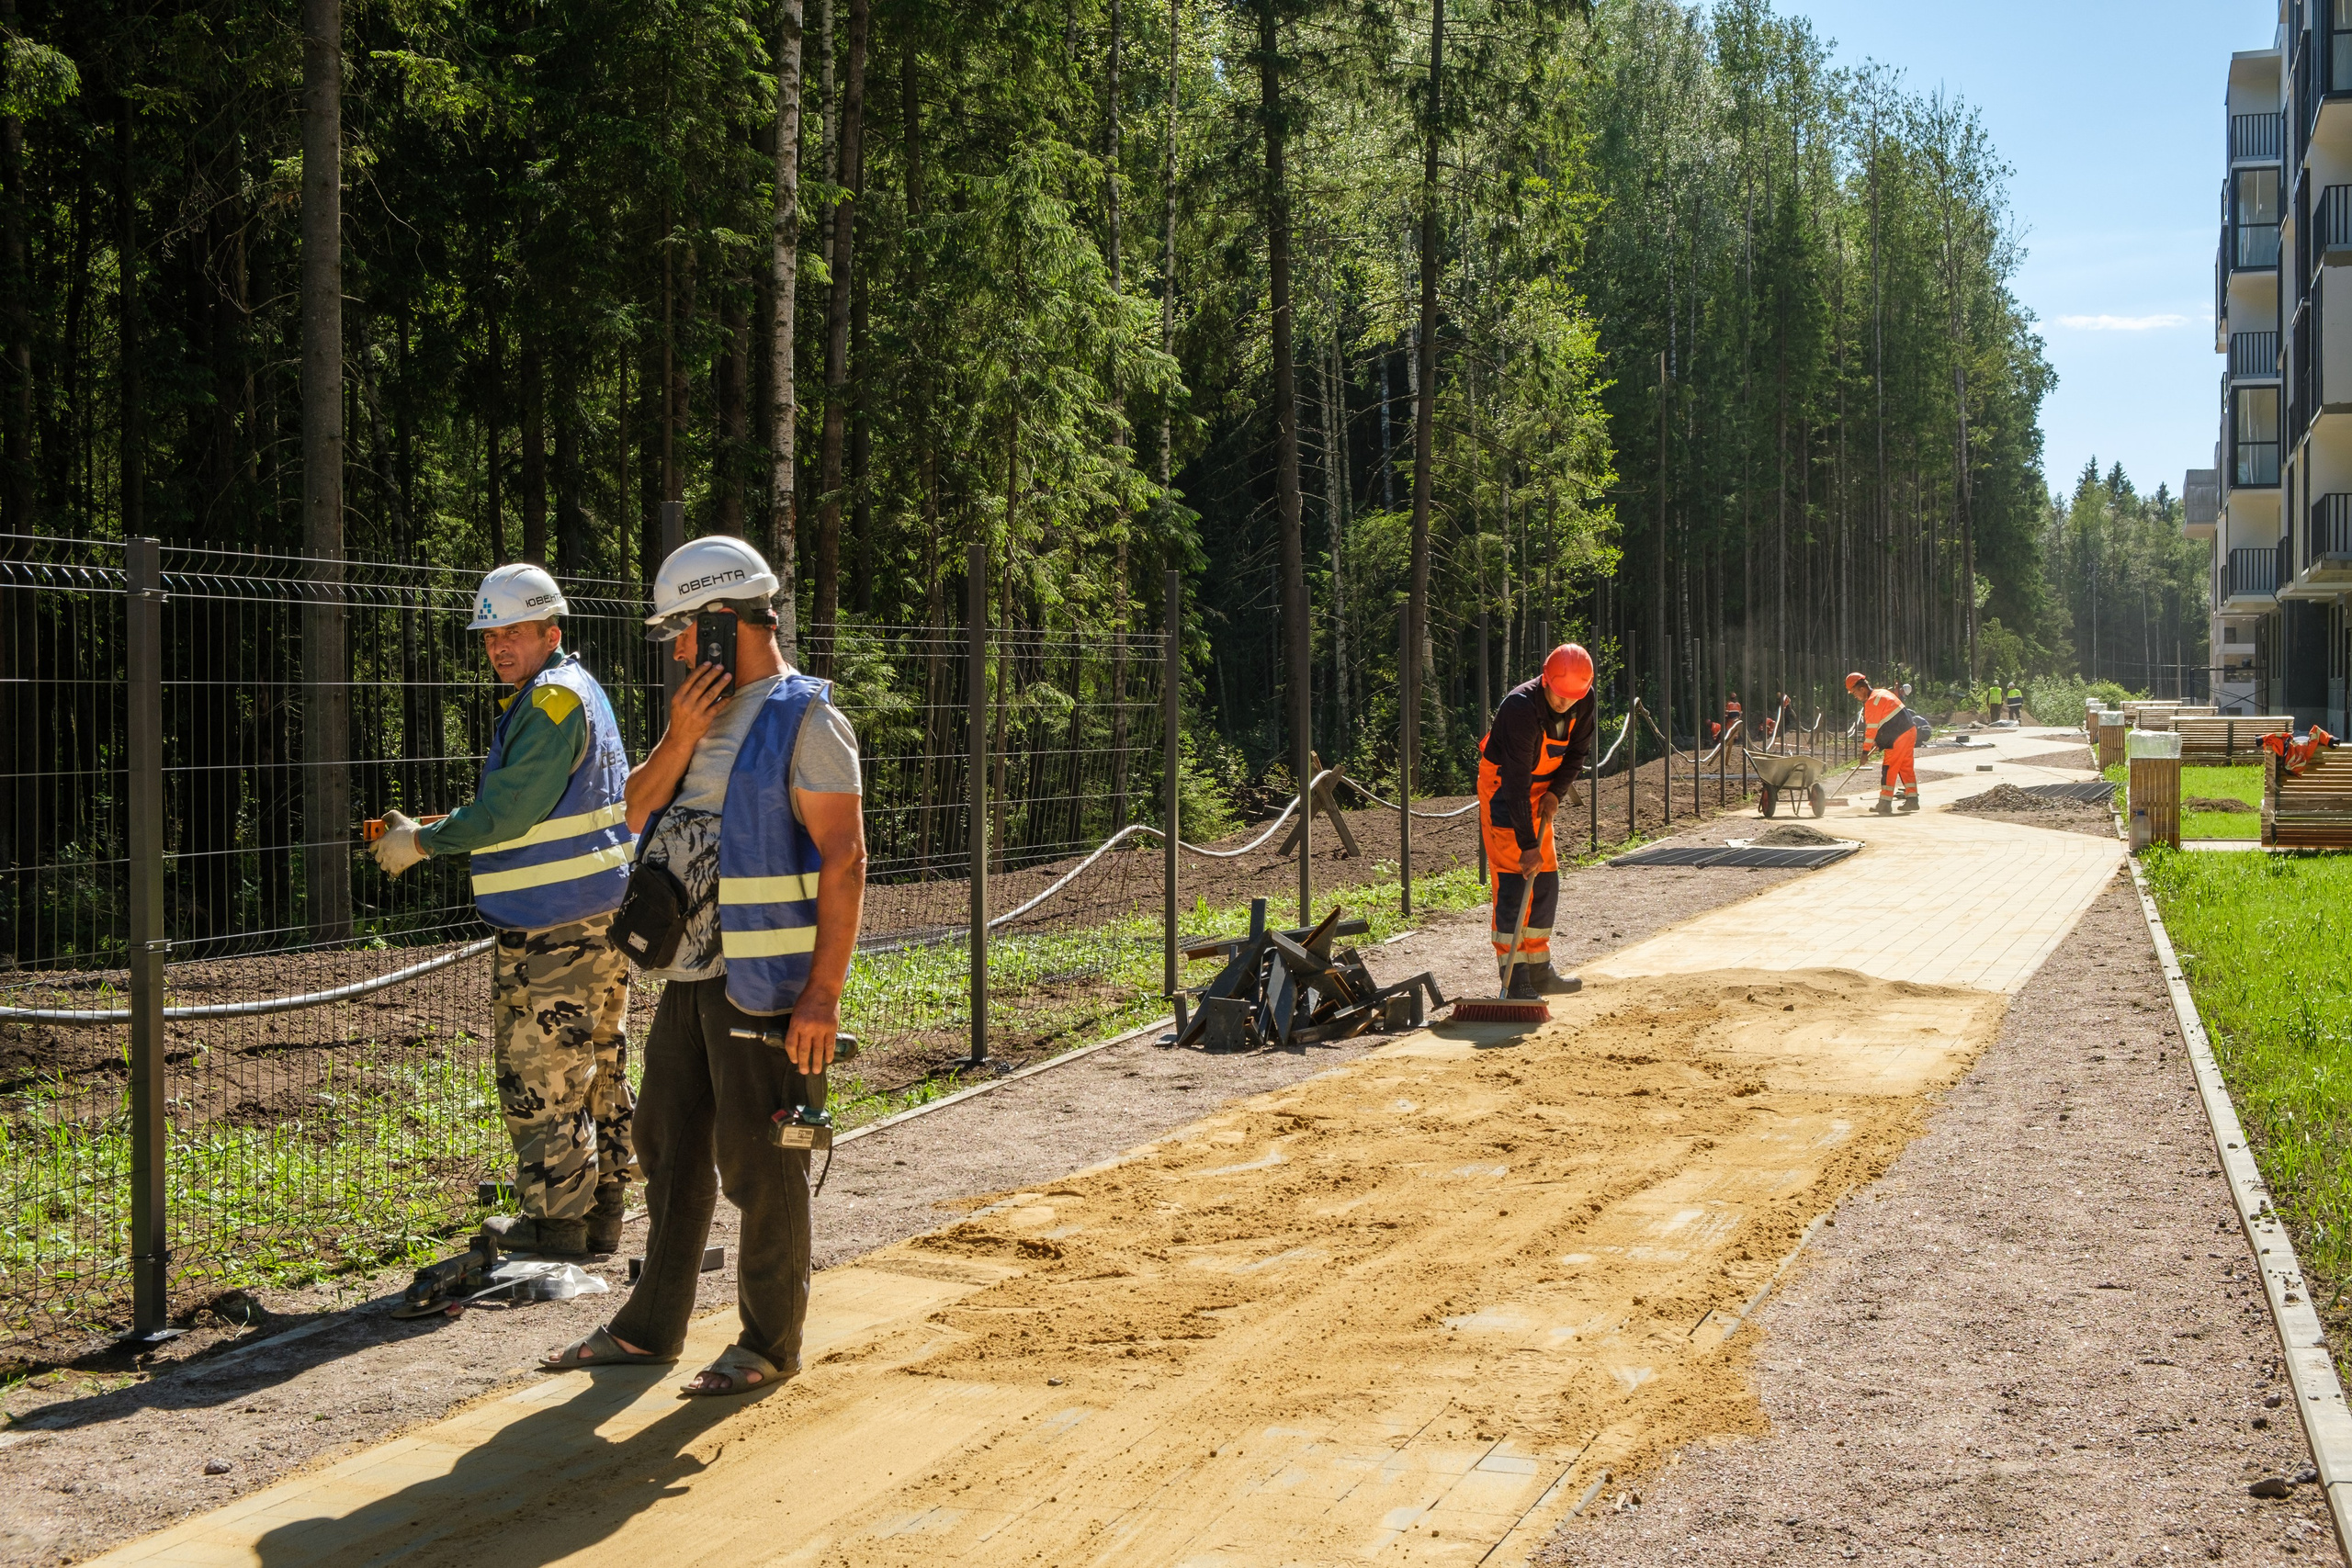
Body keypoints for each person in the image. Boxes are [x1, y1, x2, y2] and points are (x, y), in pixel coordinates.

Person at [541, 536, 867, 1398]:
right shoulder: (703, 714)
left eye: (686, 630)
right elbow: (637, 806)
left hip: (764, 981)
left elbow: (846, 856)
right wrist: (680, 734)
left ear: (723, 621)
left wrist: (823, 995)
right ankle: (651, 1330)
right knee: (668, 1141)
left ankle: (769, 1341)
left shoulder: (809, 720)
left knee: (757, 1157)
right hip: (691, 971)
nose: (679, 649)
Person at [369, 564, 637, 1257]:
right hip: (597, 917)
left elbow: (509, 811)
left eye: (513, 631)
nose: (498, 646)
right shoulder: (577, 691)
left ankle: (556, 1225)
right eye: (490, 634)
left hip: (554, 929)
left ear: (552, 631)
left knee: (542, 1071)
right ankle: (603, 1210)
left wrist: (422, 842)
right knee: (598, 1064)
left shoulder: (549, 703)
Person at [1476, 644, 1597, 998]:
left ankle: (1540, 971)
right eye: (1559, 696)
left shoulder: (1584, 699)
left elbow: (1577, 754)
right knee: (1514, 881)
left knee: (1544, 881)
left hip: (1541, 788)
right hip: (1504, 789)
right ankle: (1515, 978)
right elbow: (1515, 784)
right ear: (1546, 680)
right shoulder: (1520, 708)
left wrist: (1556, 793)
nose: (1564, 703)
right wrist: (1528, 846)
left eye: (1571, 697)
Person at [1847, 671, 1922, 815]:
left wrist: (1864, 753)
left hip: (1898, 737)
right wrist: (1880, 741)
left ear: (1862, 689)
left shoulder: (1871, 703)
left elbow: (1871, 731)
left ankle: (1884, 804)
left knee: (1889, 768)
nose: (1855, 697)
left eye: (1854, 693)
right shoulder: (1882, 693)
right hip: (1910, 731)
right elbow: (1886, 720)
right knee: (1905, 766)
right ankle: (1912, 800)